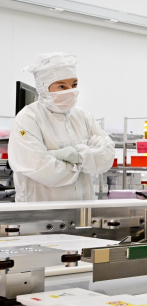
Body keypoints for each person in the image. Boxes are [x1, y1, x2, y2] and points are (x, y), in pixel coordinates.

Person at [9, 53, 115, 202]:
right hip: (41, 212)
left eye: (74, 85)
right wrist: (87, 159)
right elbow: (41, 168)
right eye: (61, 86)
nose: (70, 91)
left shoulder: (83, 116)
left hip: (83, 209)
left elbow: (108, 156)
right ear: (44, 88)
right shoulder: (28, 118)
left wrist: (73, 157)